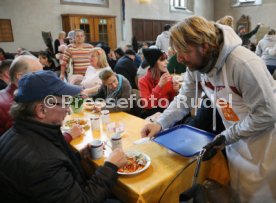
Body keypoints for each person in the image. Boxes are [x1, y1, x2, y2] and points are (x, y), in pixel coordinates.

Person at [141, 16, 276, 202]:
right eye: (177, 52)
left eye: (184, 52)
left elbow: (266, 115)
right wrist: (160, 123)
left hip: (264, 143)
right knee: (237, 191)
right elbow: (185, 99)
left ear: (204, 46)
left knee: (259, 196)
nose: (179, 59)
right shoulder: (196, 64)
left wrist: (227, 136)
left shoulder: (242, 63)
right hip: (236, 140)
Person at [0, 70, 127, 202]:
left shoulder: (16, 134)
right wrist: (110, 167)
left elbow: (58, 174)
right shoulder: (43, 163)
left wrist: (77, 156)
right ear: (42, 110)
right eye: (64, 103)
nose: (68, 109)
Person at [0, 55, 43, 136]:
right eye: (38, 75)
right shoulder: (15, 105)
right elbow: (32, 141)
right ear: (21, 77)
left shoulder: (25, 95)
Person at [138, 48, 179, 118]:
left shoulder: (167, 77)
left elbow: (173, 102)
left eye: (166, 59)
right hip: (151, 115)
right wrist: (159, 86)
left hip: (166, 113)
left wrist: (176, 91)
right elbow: (147, 105)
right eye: (162, 60)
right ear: (154, 63)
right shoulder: (143, 81)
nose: (167, 62)